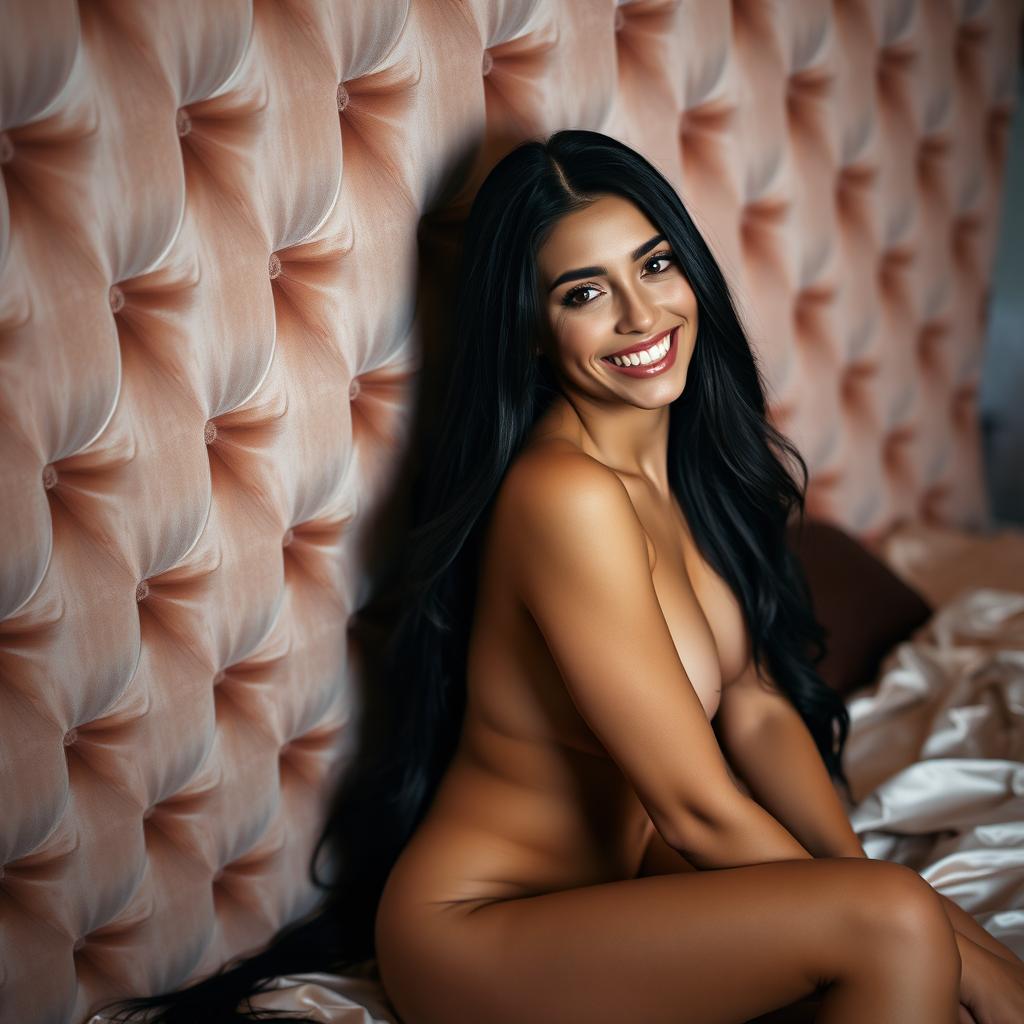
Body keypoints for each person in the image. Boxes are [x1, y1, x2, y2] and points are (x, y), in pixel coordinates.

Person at [109, 130, 1024, 1024]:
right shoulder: (562, 495)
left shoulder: (686, 467)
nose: (641, 316)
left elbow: (754, 702)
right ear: (534, 332)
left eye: (655, 266)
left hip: (624, 881)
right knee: (898, 925)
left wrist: (871, 881)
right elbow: (696, 806)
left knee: (902, 921)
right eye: (586, 292)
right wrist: (907, 915)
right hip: (486, 932)